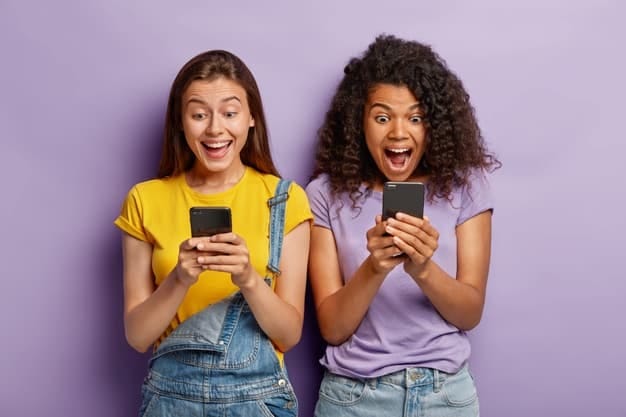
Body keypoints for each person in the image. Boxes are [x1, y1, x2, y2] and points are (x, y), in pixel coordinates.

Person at [305, 34, 501, 417]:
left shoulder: (467, 187)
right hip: (353, 398)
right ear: (357, 121)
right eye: (382, 117)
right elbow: (332, 328)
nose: (398, 133)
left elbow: (469, 313)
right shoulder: (323, 195)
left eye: (415, 118)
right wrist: (374, 268)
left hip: (445, 396)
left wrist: (423, 269)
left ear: (435, 124)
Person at [114, 49, 312, 417]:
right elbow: (137, 336)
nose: (215, 129)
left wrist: (248, 278)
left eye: (230, 112)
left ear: (252, 118)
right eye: (199, 114)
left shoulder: (284, 199)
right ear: (180, 121)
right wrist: (179, 278)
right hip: (170, 401)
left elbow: (289, 335)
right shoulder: (144, 199)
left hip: (258, 400)